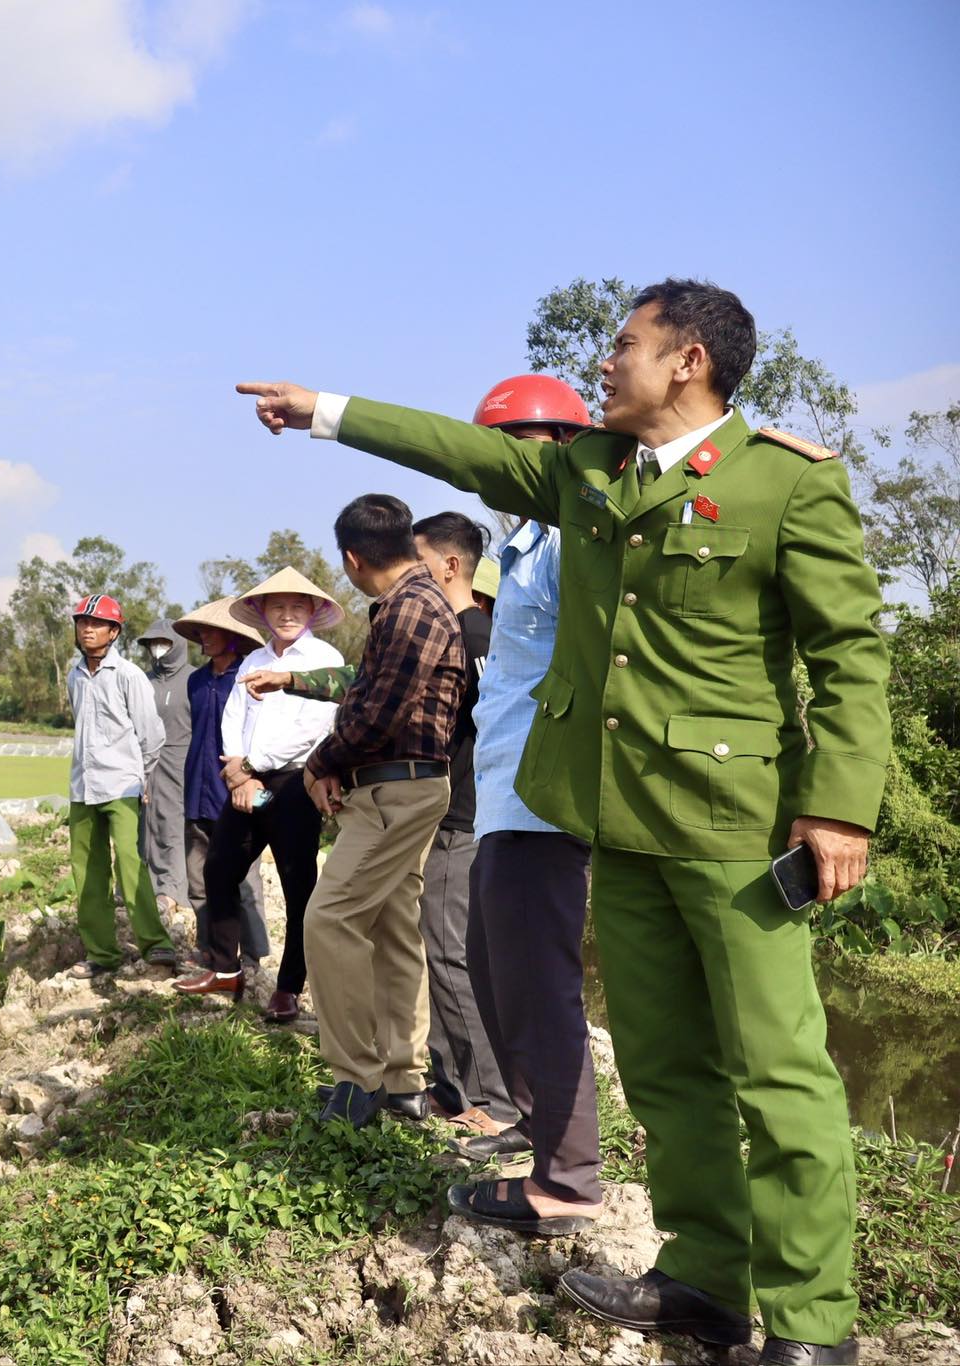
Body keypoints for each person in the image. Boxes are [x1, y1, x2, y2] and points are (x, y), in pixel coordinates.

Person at [239, 277, 890, 1364]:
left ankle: (812, 1323)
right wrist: (324, 411)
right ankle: (703, 1275)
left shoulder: (784, 482)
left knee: (779, 1072)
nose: (605, 362)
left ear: (687, 361)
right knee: (664, 1064)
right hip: (614, 817)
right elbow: (461, 451)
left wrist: (837, 810)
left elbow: (848, 655)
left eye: (625, 344)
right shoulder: (591, 472)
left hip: (733, 828)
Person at [233, 503, 465, 1125]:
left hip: (396, 792)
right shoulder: (408, 604)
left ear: (352, 559)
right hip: (395, 788)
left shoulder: (411, 607)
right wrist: (297, 688)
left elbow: (378, 712)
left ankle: (358, 1080)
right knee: (392, 927)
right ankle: (402, 1079)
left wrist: (318, 763)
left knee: (330, 917)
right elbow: (364, 687)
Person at [439, 376, 606, 1238]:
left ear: (564, 447)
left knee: (538, 983)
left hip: (544, 796)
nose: (500, 468)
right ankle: (540, 1136)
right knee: (495, 968)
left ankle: (567, 1182)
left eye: (518, 448)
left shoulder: (575, 538)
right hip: (503, 792)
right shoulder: (524, 544)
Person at [173, 570, 344, 1021]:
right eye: (278, 607)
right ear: (263, 613)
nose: (287, 615)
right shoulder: (254, 660)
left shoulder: (324, 659)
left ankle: (289, 988)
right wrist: (240, 773)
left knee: (297, 887)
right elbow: (233, 716)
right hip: (246, 780)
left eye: (297, 606)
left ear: (312, 611)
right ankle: (225, 967)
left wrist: (252, 765)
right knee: (218, 867)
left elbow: (314, 729)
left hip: (296, 782)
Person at [406, 510, 515, 1138]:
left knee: (452, 955)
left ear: (450, 566)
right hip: (448, 813)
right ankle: (450, 1087)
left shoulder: (473, 633)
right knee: (437, 949)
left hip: (464, 815)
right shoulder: (462, 631)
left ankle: (495, 1101)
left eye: (416, 562)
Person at [66, 594, 181, 981]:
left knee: (130, 862)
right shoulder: (74, 676)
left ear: (114, 632)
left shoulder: (128, 676)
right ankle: (101, 952)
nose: (88, 629)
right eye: (82, 622)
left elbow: (151, 734)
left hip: (121, 784)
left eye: (97, 623)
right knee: (87, 871)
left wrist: (140, 776)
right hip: (83, 785)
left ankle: (156, 944)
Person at [173, 597, 271, 970]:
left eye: (213, 631)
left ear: (233, 637)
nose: (205, 637)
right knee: (199, 880)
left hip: (237, 794)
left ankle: (253, 956)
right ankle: (211, 949)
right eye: (202, 631)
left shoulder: (250, 679)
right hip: (197, 791)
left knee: (244, 881)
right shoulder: (196, 681)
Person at [133, 619, 193, 916]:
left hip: (179, 762)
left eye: (164, 643)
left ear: (178, 645)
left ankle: (170, 890)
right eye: (153, 643)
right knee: (142, 825)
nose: (158, 649)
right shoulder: (141, 681)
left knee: (171, 825)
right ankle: (138, 886)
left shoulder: (194, 679)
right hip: (144, 761)